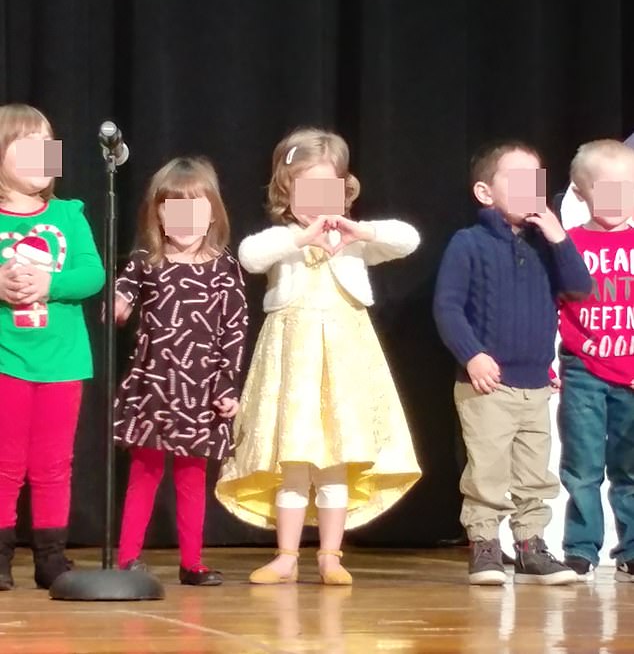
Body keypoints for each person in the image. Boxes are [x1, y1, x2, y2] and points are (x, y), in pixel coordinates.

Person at [216, 127, 422, 585]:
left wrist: (359, 230)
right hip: (292, 365)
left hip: (344, 361)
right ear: (286, 189)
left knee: (335, 460)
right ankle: (287, 555)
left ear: (344, 190)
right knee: (293, 461)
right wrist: (300, 237)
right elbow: (250, 255)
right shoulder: (284, 239)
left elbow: (408, 239)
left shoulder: (355, 240)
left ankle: (331, 555)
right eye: (305, 187)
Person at [433, 140, 592, 585]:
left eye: (536, 181)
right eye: (517, 180)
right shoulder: (468, 243)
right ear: (486, 192)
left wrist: (559, 236)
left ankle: (531, 544)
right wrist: (473, 355)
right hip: (488, 383)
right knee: (488, 466)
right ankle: (484, 542)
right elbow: (448, 307)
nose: (530, 189)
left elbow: (580, 288)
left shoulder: (547, 245)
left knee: (533, 469)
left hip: (536, 384)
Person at [114, 157, 248, 586]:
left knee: (192, 479)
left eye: (196, 209)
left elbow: (235, 330)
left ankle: (192, 562)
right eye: (176, 210)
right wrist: (116, 307)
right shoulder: (145, 261)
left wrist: (228, 385)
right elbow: (123, 295)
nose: (187, 221)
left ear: (213, 214)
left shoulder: (225, 268)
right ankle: (127, 559)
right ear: (158, 214)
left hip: (201, 392)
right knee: (144, 474)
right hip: (153, 388)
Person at [0, 103, 105, 590]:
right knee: (5, 462)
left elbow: (91, 274)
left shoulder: (69, 213)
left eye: (49, 146)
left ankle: (50, 558)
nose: (44, 156)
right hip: (8, 357)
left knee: (53, 463)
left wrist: (49, 283)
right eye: (29, 147)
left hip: (63, 360)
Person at [557, 139, 634, 581]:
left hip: (630, 376)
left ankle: (631, 546)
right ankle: (581, 548)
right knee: (583, 466)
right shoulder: (570, 244)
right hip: (584, 369)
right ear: (581, 193)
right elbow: (550, 303)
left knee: (629, 466)